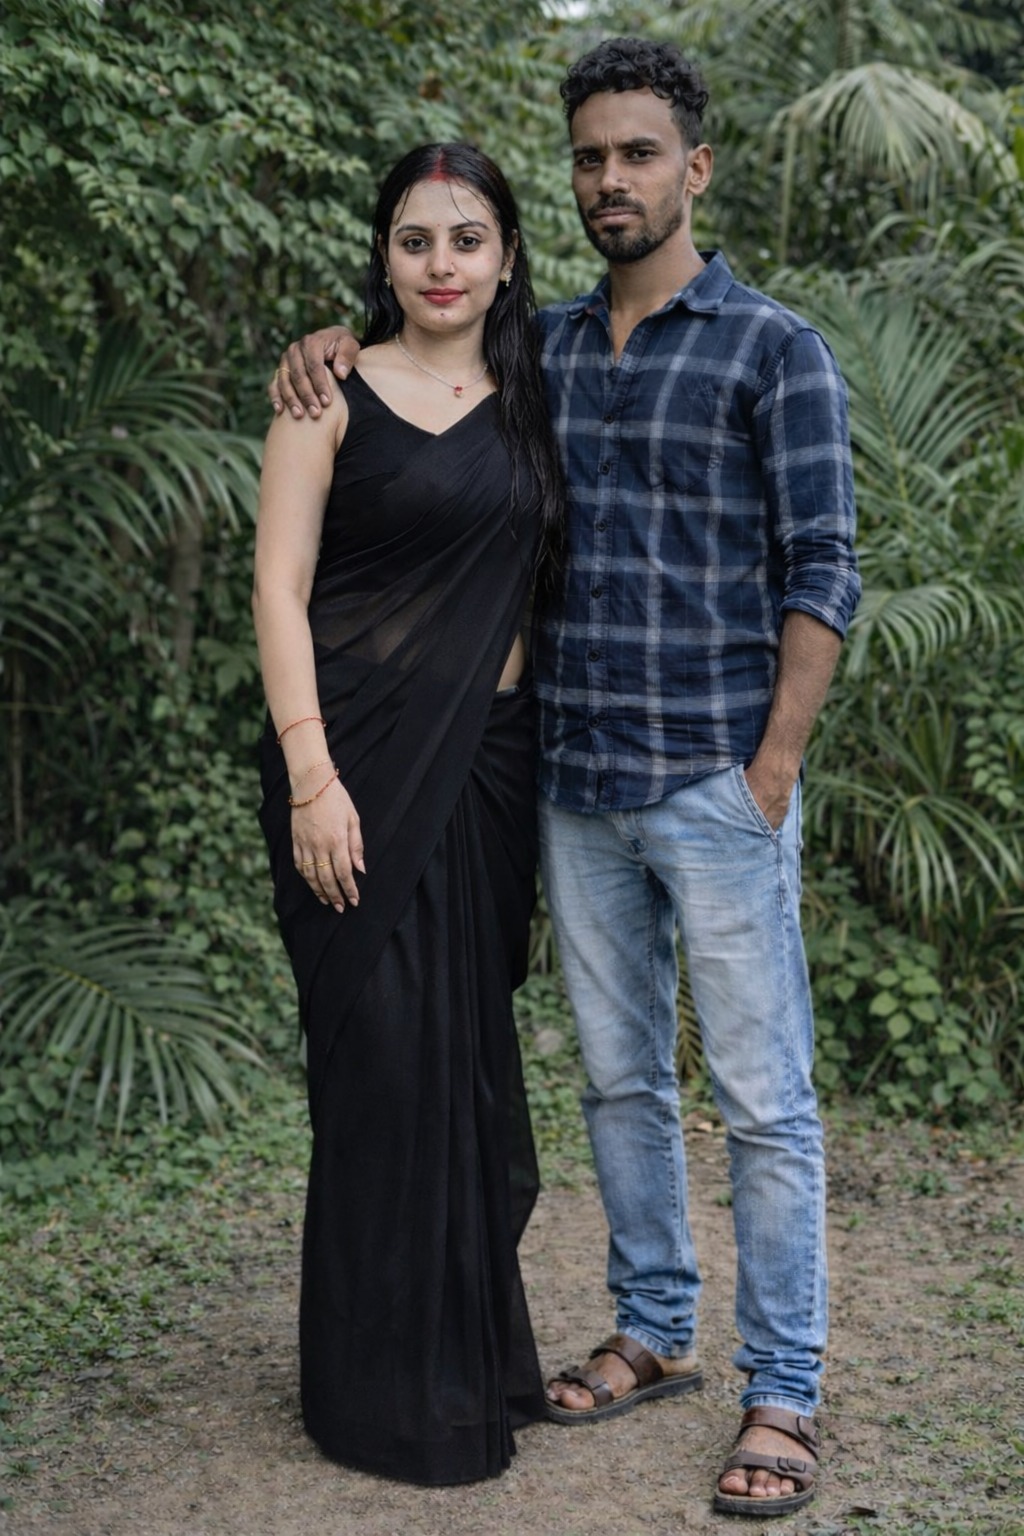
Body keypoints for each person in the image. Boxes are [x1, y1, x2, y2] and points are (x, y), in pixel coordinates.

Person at [269, 36, 860, 1519]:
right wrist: (323, 342)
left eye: (638, 153)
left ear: (693, 169)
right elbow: (416, 360)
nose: (613, 178)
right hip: (574, 781)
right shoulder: (545, 351)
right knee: (618, 1081)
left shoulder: (772, 349)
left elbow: (824, 570)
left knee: (762, 1099)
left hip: (715, 782)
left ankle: (783, 1389)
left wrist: (774, 768)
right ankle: (654, 1328)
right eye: (591, 156)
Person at [253, 141, 564, 1487]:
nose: (443, 263)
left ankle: (469, 1358)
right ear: (382, 254)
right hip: (354, 769)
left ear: (506, 256)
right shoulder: (327, 391)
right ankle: (371, 1391)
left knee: (471, 1073)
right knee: (380, 1068)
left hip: (491, 768)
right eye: (416, 238)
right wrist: (311, 777)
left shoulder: (541, 391)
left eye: (468, 238)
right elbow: (278, 589)